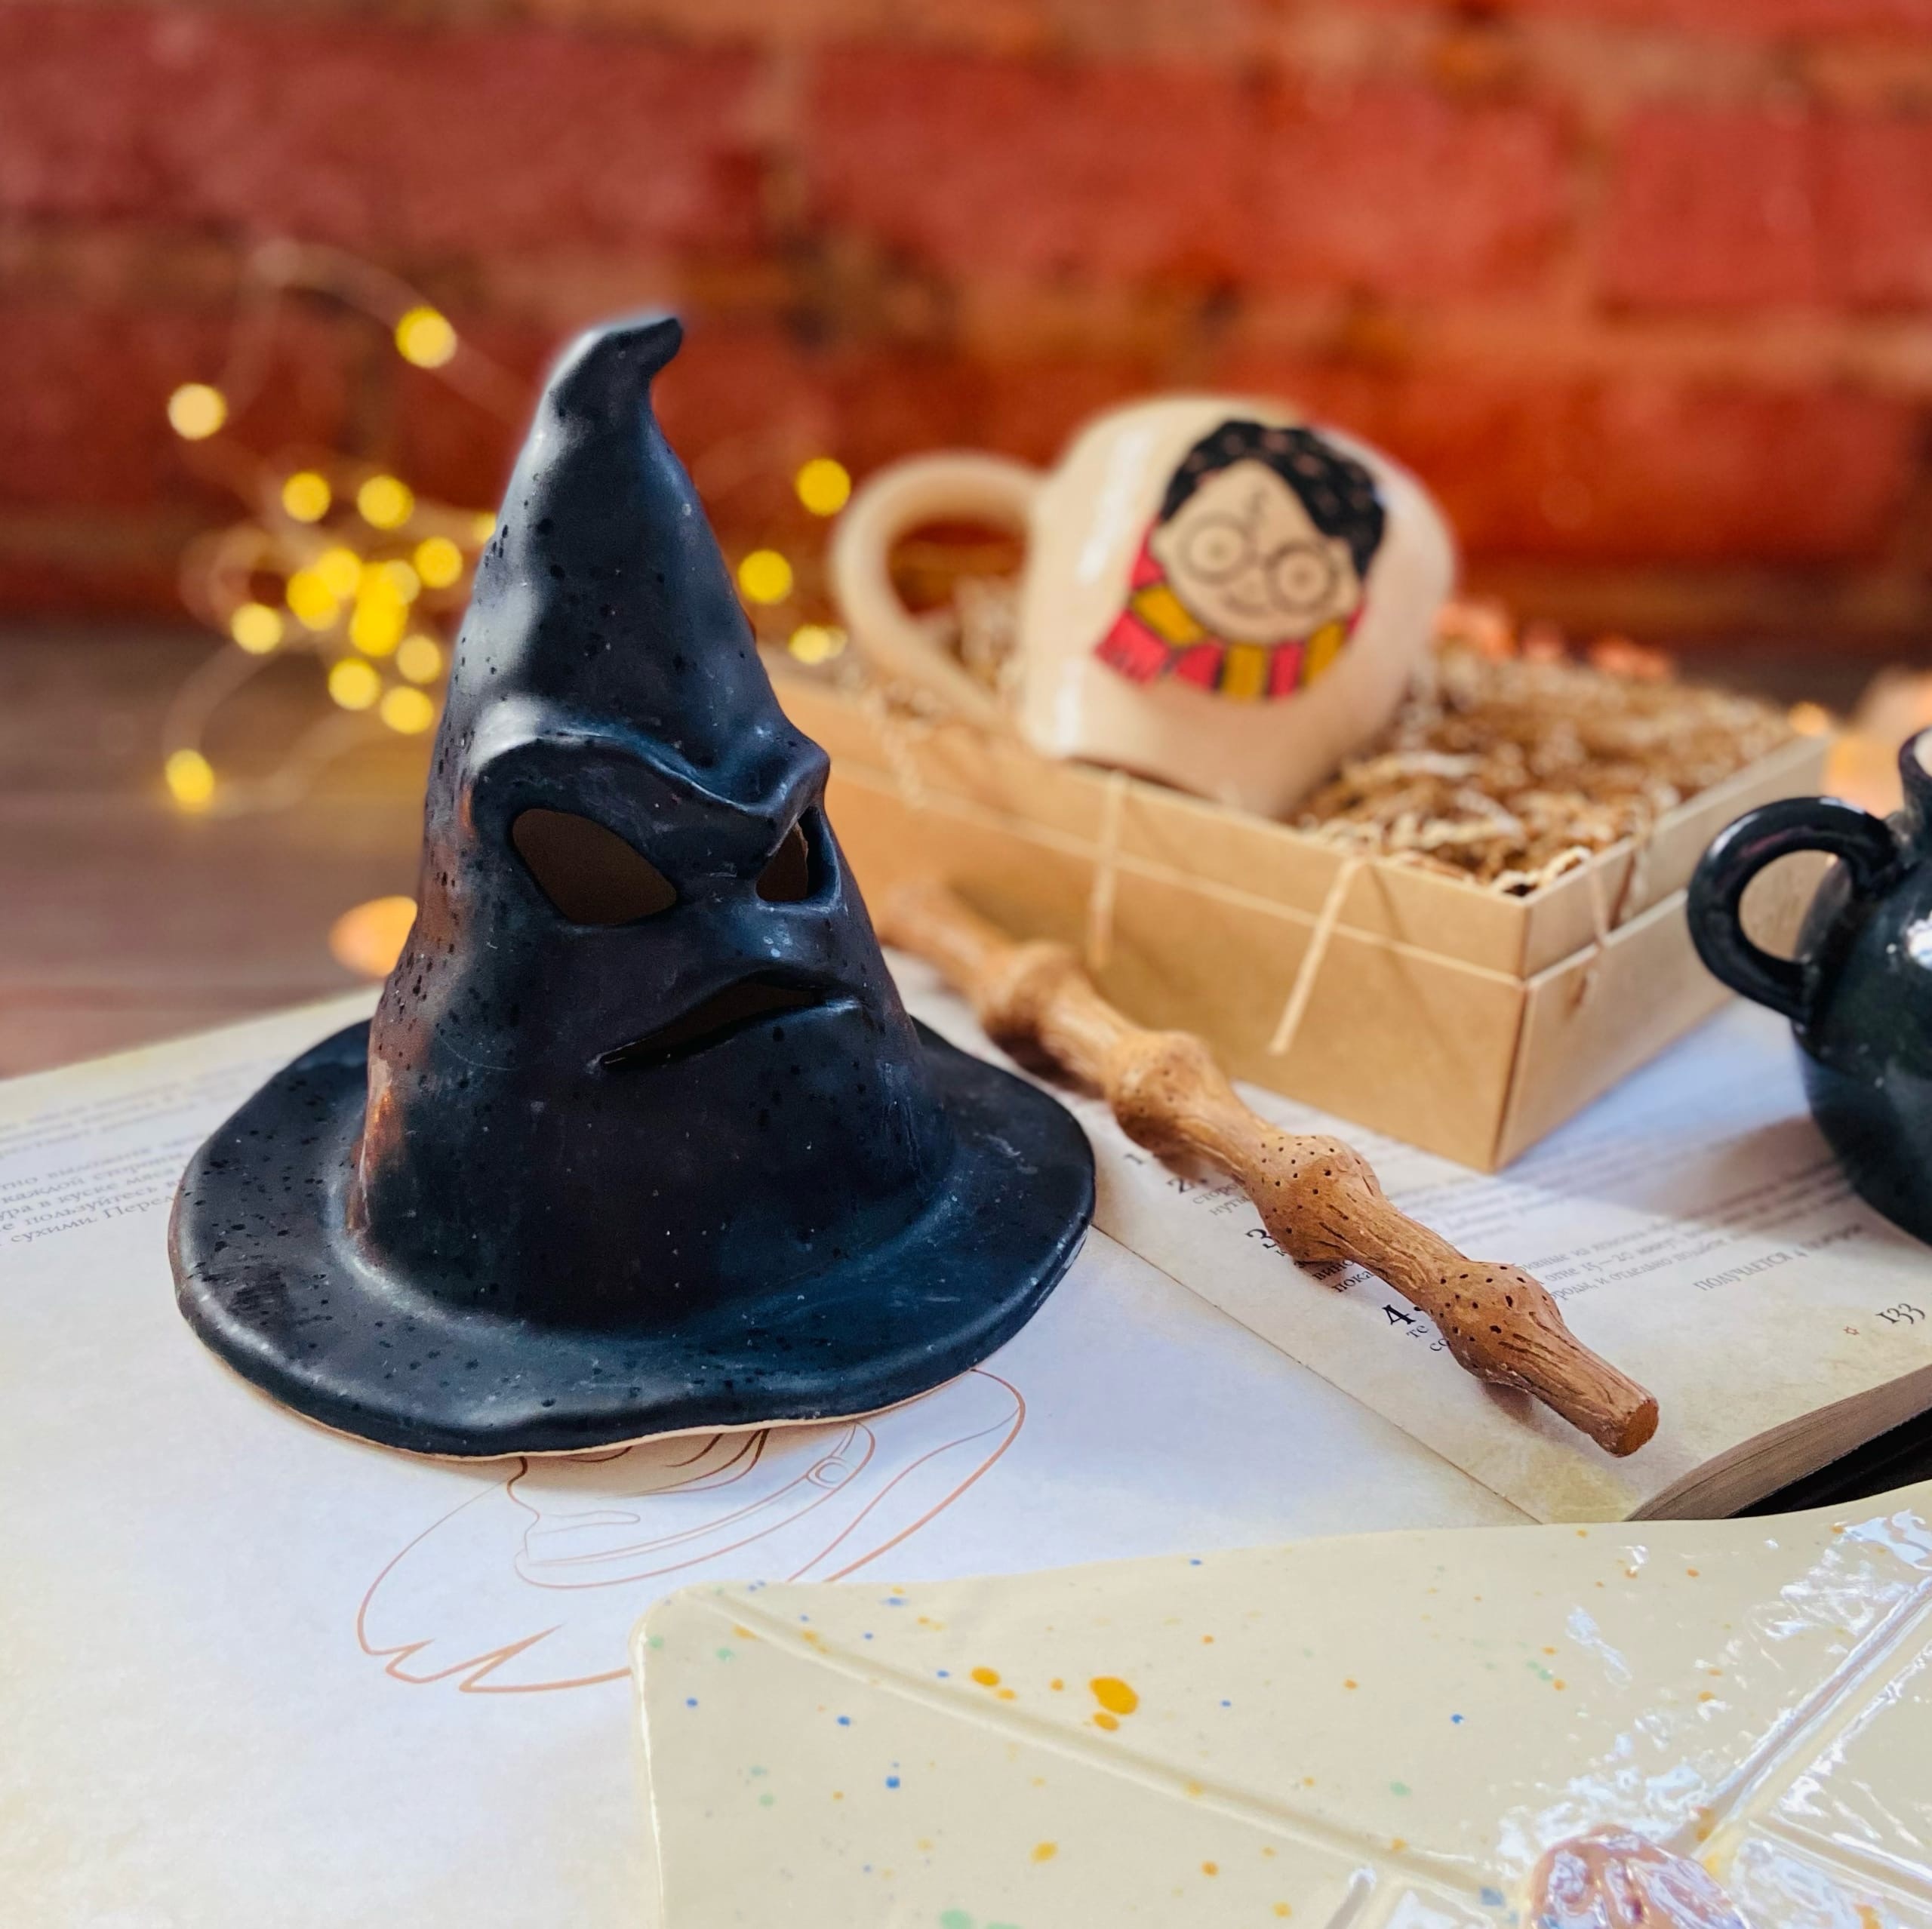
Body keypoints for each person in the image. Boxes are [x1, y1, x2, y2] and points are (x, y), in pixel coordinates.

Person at [1096, 417, 1387, 702]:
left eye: (1299, 576)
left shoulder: (1314, 659)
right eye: (1219, 548)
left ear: (1346, 596)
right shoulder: (1143, 614)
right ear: (1165, 533)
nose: (1250, 584)